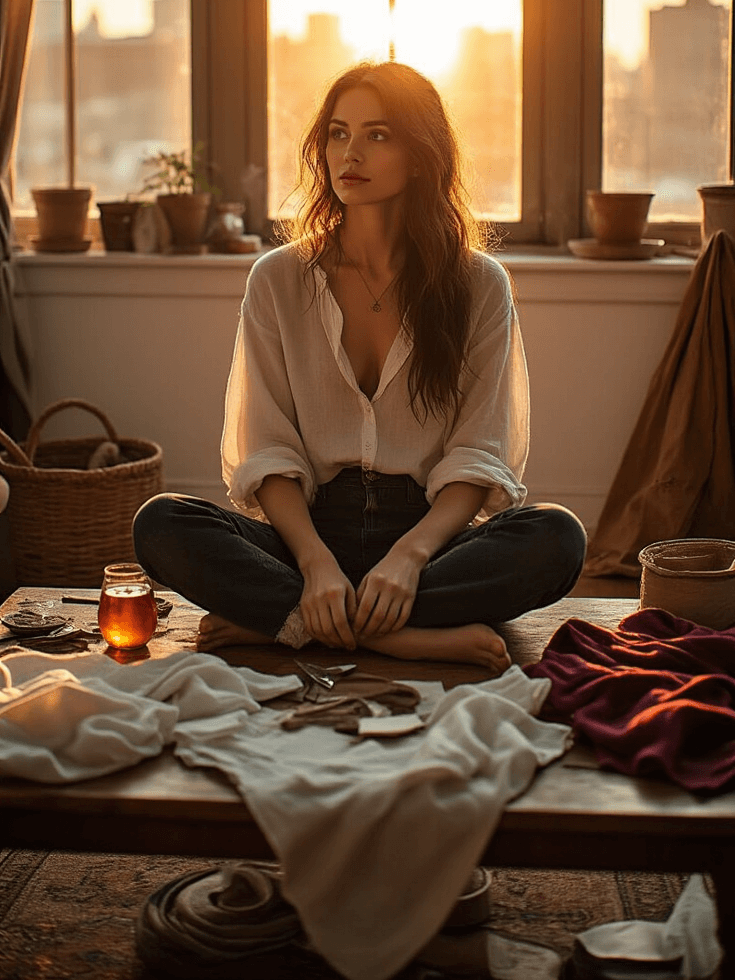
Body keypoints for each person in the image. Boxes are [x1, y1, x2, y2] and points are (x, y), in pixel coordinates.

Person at [134, 61, 586, 670]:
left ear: (422, 155)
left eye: (378, 134)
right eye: (338, 133)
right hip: (307, 533)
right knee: (160, 524)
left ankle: (289, 624)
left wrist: (410, 556)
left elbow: (481, 450)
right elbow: (267, 445)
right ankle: (391, 633)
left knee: (556, 539)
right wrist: (316, 562)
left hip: (429, 538)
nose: (350, 152)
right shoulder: (278, 279)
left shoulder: (478, 284)